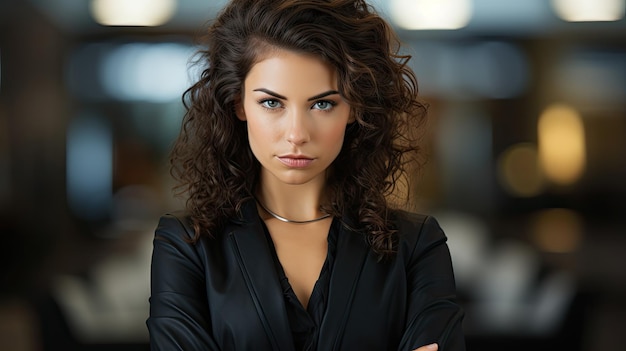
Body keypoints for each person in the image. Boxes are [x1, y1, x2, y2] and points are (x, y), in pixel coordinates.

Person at [147, 0, 465, 350]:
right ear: (238, 103)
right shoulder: (186, 246)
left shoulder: (416, 246)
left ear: (354, 108)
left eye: (322, 103)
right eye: (272, 103)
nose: (297, 133)